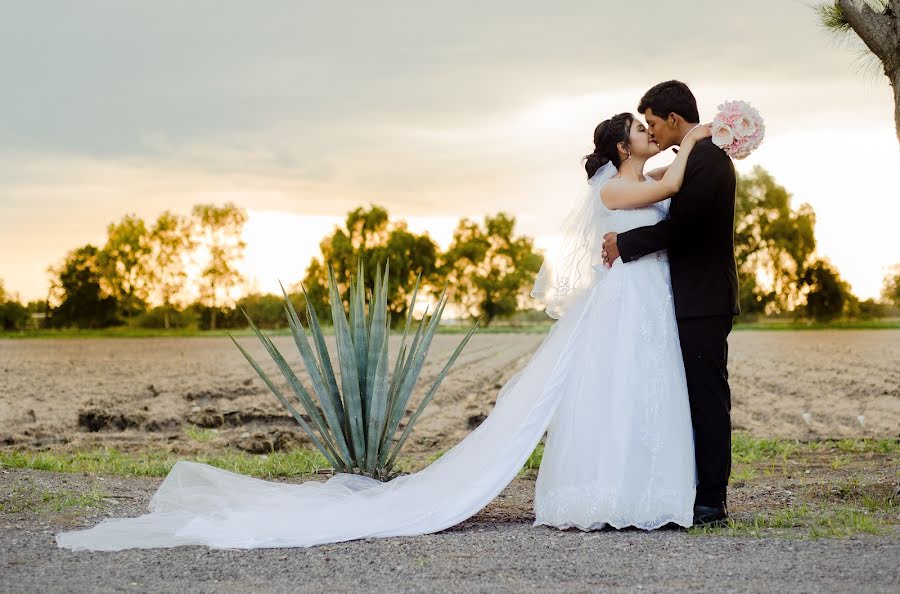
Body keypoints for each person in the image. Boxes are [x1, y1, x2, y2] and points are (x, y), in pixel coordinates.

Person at [55, 111, 713, 552]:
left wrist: (700, 147)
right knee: (615, 388)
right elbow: (673, 179)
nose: (650, 132)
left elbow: (671, 187)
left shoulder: (643, 177)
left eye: (650, 129)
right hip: (624, 300)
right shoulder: (613, 192)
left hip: (643, 297)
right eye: (640, 129)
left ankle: (642, 490)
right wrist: (698, 138)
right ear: (623, 147)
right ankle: (605, 494)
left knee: (640, 389)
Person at [601, 80, 740, 525]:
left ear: (675, 119)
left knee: (708, 399)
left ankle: (711, 500)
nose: (653, 131)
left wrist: (625, 243)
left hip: (703, 299)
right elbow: (652, 188)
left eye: (655, 123)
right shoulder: (691, 158)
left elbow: (683, 229)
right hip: (687, 298)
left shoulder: (706, 159)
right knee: (689, 398)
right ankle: (683, 488)